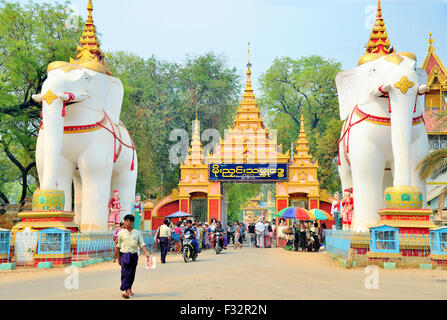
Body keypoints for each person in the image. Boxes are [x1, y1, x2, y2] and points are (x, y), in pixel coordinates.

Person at [114, 214, 151, 299]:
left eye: (127, 221)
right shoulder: (121, 233)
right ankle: (126, 290)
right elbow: (118, 245)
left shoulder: (137, 233)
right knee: (125, 272)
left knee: (131, 273)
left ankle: (129, 288)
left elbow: (141, 243)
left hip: (134, 255)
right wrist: (116, 256)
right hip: (124, 254)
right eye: (125, 221)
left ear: (132, 222)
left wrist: (146, 253)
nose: (125, 223)